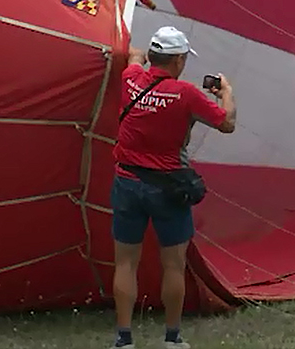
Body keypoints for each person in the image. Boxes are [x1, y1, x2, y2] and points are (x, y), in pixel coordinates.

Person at [110, 26, 237, 348]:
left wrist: (134, 50)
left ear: (153, 56)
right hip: (168, 188)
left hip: (127, 182)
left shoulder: (130, 79)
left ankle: (124, 340)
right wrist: (226, 93)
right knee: (174, 265)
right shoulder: (187, 94)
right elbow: (227, 123)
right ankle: (172, 338)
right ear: (179, 60)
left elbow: (134, 57)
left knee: (125, 263)